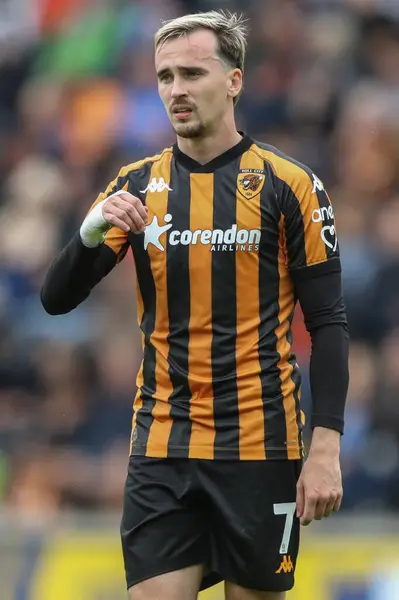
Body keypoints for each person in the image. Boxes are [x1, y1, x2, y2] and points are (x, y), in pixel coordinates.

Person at [40, 10, 349, 600]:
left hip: (260, 446)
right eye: (163, 77)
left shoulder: (291, 185)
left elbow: (329, 323)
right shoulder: (135, 187)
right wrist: (88, 232)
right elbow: (57, 298)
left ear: (234, 80)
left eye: (191, 73)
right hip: (162, 446)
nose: (176, 90)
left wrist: (326, 447)